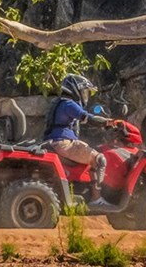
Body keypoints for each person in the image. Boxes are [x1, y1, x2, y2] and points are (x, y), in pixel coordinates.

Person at [43, 74, 112, 205]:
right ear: (76, 89)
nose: (85, 95)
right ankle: (96, 198)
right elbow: (87, 117)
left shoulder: (58, 103)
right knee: (99, 159)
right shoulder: (69, 104)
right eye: (84, 91)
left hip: (54, 141)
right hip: (64, 143)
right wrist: (108, 123)